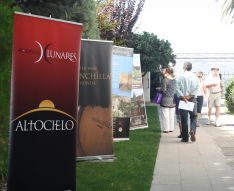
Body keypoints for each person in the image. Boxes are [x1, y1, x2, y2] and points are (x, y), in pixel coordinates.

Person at [176, 62, 199, 142]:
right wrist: (190, 96)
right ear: (191, 68)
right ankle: (192, 130)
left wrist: (183, 96)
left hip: (183, 99)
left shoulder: (180, 76)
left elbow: (177, 88)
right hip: (192, 98)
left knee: (184, 119)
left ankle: (185, 138)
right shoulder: (195, 77)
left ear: (184, 67)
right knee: (194, 117)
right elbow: (197, 88)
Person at [159, 67, 176, 133]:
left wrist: (158, 89)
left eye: (164, 72)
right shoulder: (174, 80)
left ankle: (166, 129)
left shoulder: (165, 80)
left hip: (165, 99)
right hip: (173, 99)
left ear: (167, 73)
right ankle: (171, 128)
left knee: (165, 115)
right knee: (171, 115)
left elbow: (163, 90)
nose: (163, 73)